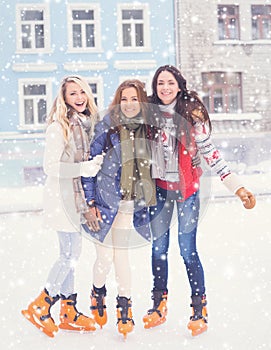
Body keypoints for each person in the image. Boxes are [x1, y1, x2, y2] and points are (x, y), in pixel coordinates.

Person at [142, 65, 256, 336]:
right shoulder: (149, 115)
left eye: (170, 83)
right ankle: (159, 304)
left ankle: (198, 307)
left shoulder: (191, 116)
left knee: (187, 250)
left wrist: (237, 186)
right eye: (160, 84)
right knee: (158, 250)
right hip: (159, 190)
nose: (165, 88)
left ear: (179, 86)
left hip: (186, 193)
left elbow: (210, 153)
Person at [21, 75, 104, 337]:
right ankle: (41, 304)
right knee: (69, 255)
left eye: (82, 92)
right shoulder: (59, 127)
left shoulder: (85, 124)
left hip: (75, 199)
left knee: (71, 255)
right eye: (72, 94)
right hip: (61, 199)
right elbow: (50, 167)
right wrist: (83, 168)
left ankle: (68, 311)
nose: (79, 98)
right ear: (64, 98)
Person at [81, 79, 156, 338]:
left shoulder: (147, 130)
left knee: (121, 255)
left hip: (127, 204)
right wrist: (90, 203)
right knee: (105, 258)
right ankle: (97, 290)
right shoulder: (106, 127)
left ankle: (125, 309)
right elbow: (90, 167)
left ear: (141, 101)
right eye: (124, 99)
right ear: (118, 101)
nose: (129, 103)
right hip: (102, 203)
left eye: (134, 98)